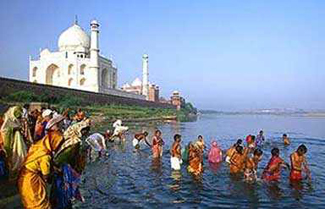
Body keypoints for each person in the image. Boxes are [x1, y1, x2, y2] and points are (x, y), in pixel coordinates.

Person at [18, 114, 65, 209]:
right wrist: (54, 174)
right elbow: (46, 175)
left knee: (29, 202)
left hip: (23, 176)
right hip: (31, 180)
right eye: (58, 144)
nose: (59, 146)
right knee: (40, 203)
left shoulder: (40, 145)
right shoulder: (45, 156)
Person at [0, 106, 27, 172]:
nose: (19, 118)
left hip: (18, 141)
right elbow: (3, 130)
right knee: (14, 158)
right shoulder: (8, 120)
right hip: (11, 143)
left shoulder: (16, 120)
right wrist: (14, 129)